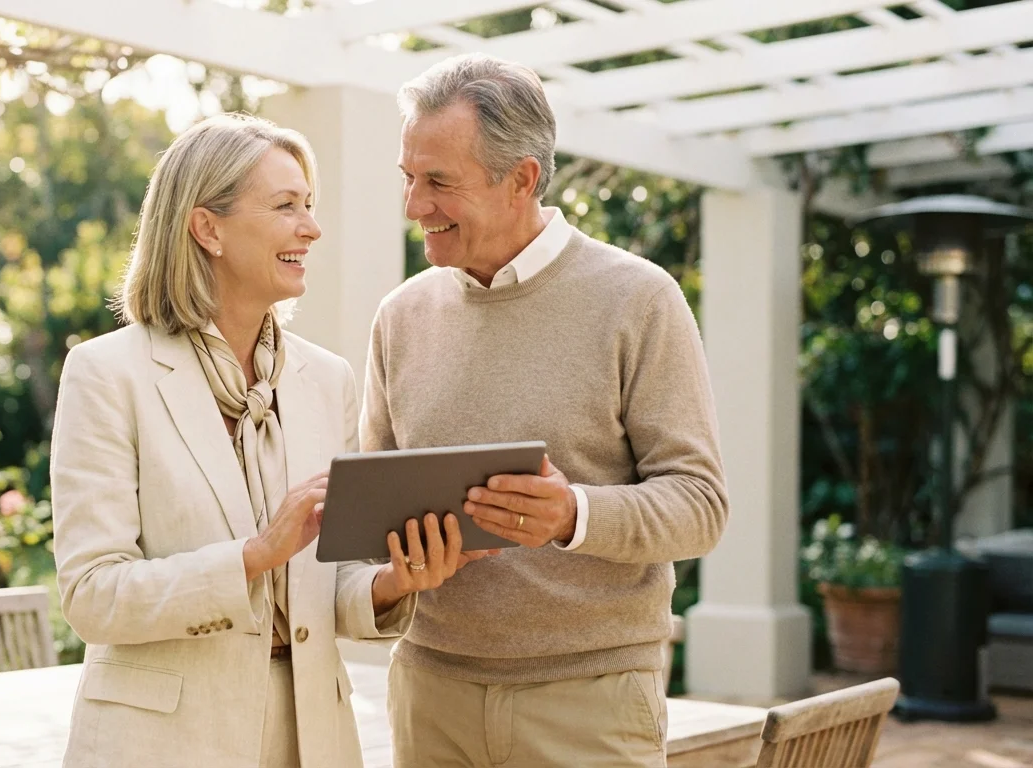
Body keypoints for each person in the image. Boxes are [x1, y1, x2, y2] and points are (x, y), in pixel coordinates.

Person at [51, 113, 482, 768]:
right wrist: (254, 555)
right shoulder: (108, 374)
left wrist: (395, 581)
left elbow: (328, 586)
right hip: (161, 747)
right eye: (286, 206)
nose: (310, 228)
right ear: (207, 227)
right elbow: (93, 596)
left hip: (312, 738)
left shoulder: (326, 379)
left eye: (308, 206)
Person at [364, 54, 730, 767]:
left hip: (589, 701)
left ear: (521, 180)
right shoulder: (401, 316)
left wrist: (572, 516)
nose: (414, 206)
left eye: (440, 182)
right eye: (409, 178)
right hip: (431, 695)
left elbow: (700, 505)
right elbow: (374, 514)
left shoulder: (638, 300)